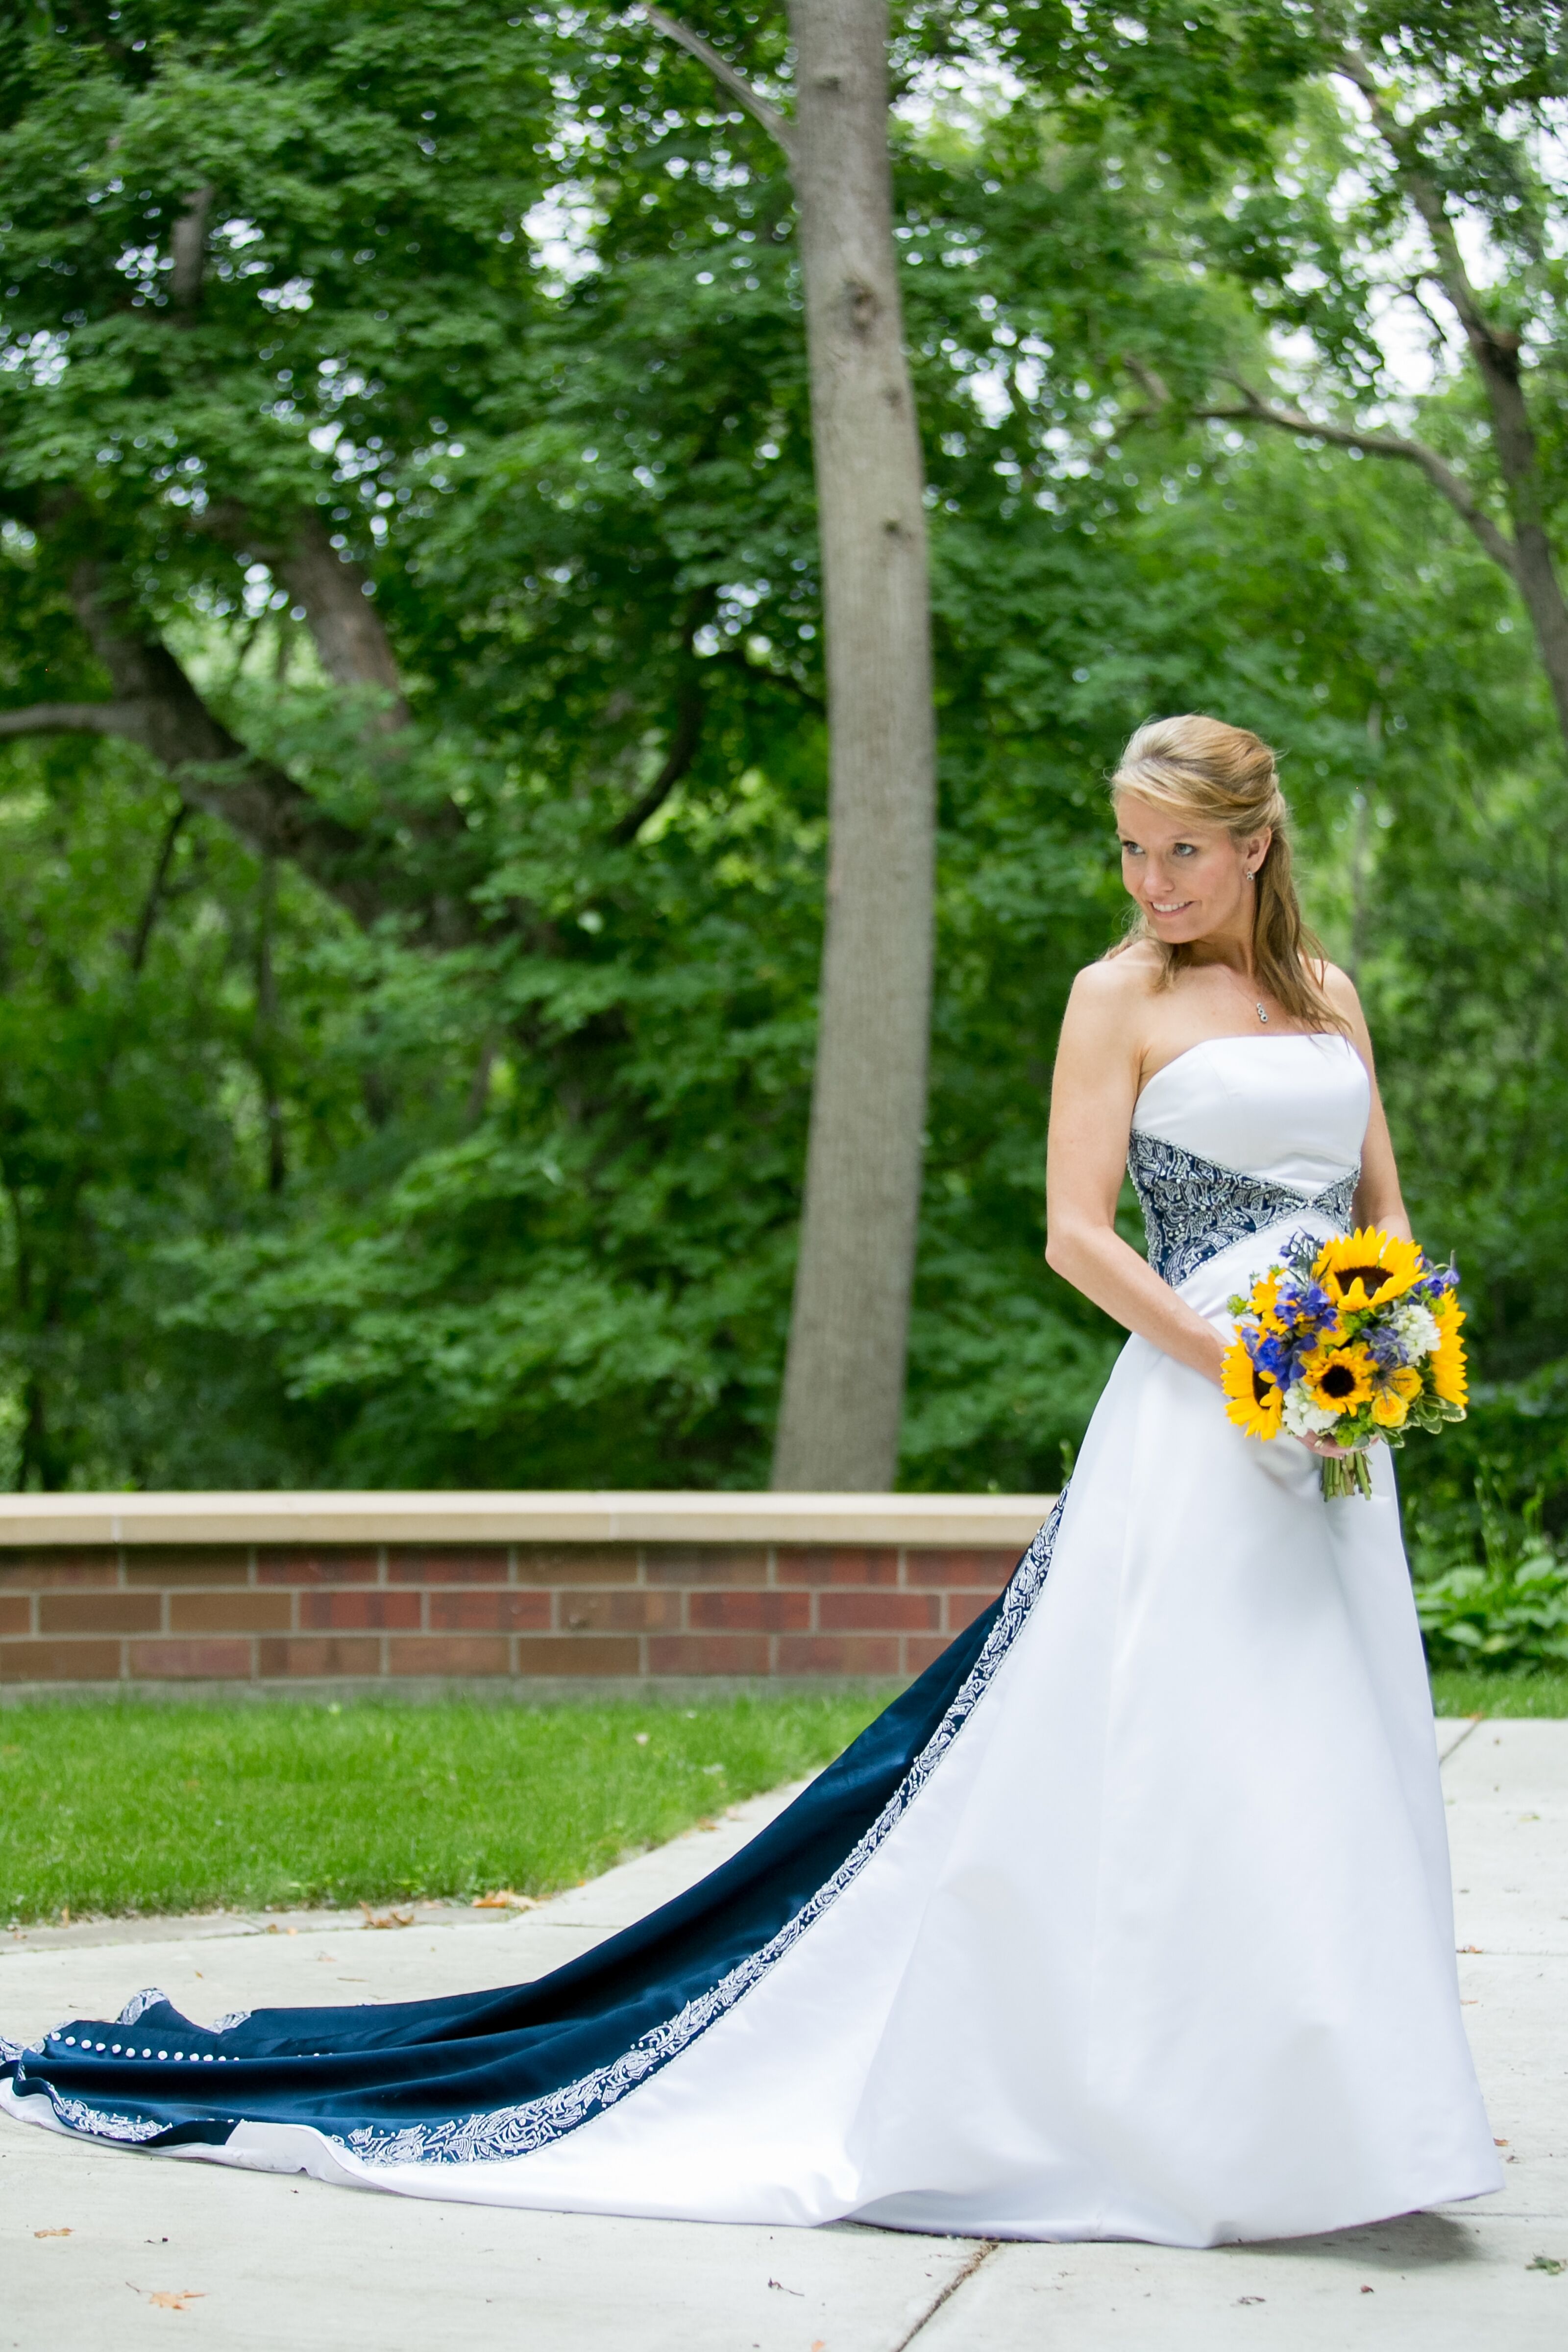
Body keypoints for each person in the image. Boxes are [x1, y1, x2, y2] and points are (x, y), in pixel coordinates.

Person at [1, 715, 1500, 2245]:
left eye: (1184, 848)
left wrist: (1384, 1351)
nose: (1152, 877)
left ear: (1258, 844)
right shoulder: (1113, 998)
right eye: (1130, 845)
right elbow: (1078, 1235)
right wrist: (1241, 1367)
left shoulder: (1329, 995)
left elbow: (1380, 1202)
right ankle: (1154, 2108)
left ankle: (1334, 2117)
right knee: (1185, 1749)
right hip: (1199, 1424)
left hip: (1335, 1436)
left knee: (1328, 1743)